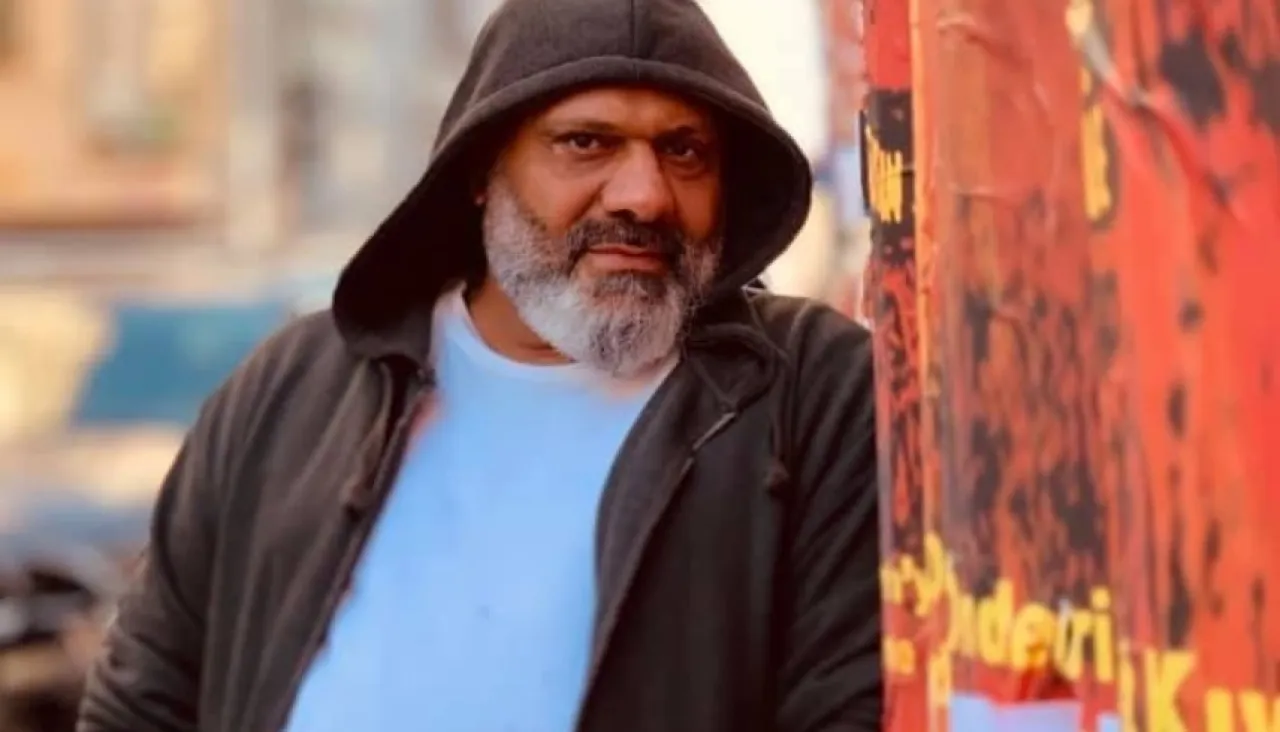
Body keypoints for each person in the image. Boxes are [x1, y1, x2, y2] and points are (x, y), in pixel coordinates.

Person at [77, 0, 882, 729]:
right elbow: (144, 698)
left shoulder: (808, 394)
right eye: (586, 142)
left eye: (684, 151)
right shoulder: (297, 386)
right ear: (480, 171)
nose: (644, 194)